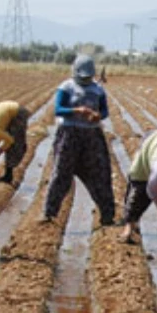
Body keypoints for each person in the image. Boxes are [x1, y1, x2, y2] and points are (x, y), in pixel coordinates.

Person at [42, 54, 114, 225]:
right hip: (69, 135)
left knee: (100, 174)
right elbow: (58, 109)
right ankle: (49, 213)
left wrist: (97, 116)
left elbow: (105, 112)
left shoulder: (98, 89)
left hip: (92, 137)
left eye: (88, 77)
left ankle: (107, 215)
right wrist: (77, 110)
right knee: (61, 174)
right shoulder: (66, 87)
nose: (86, 80)